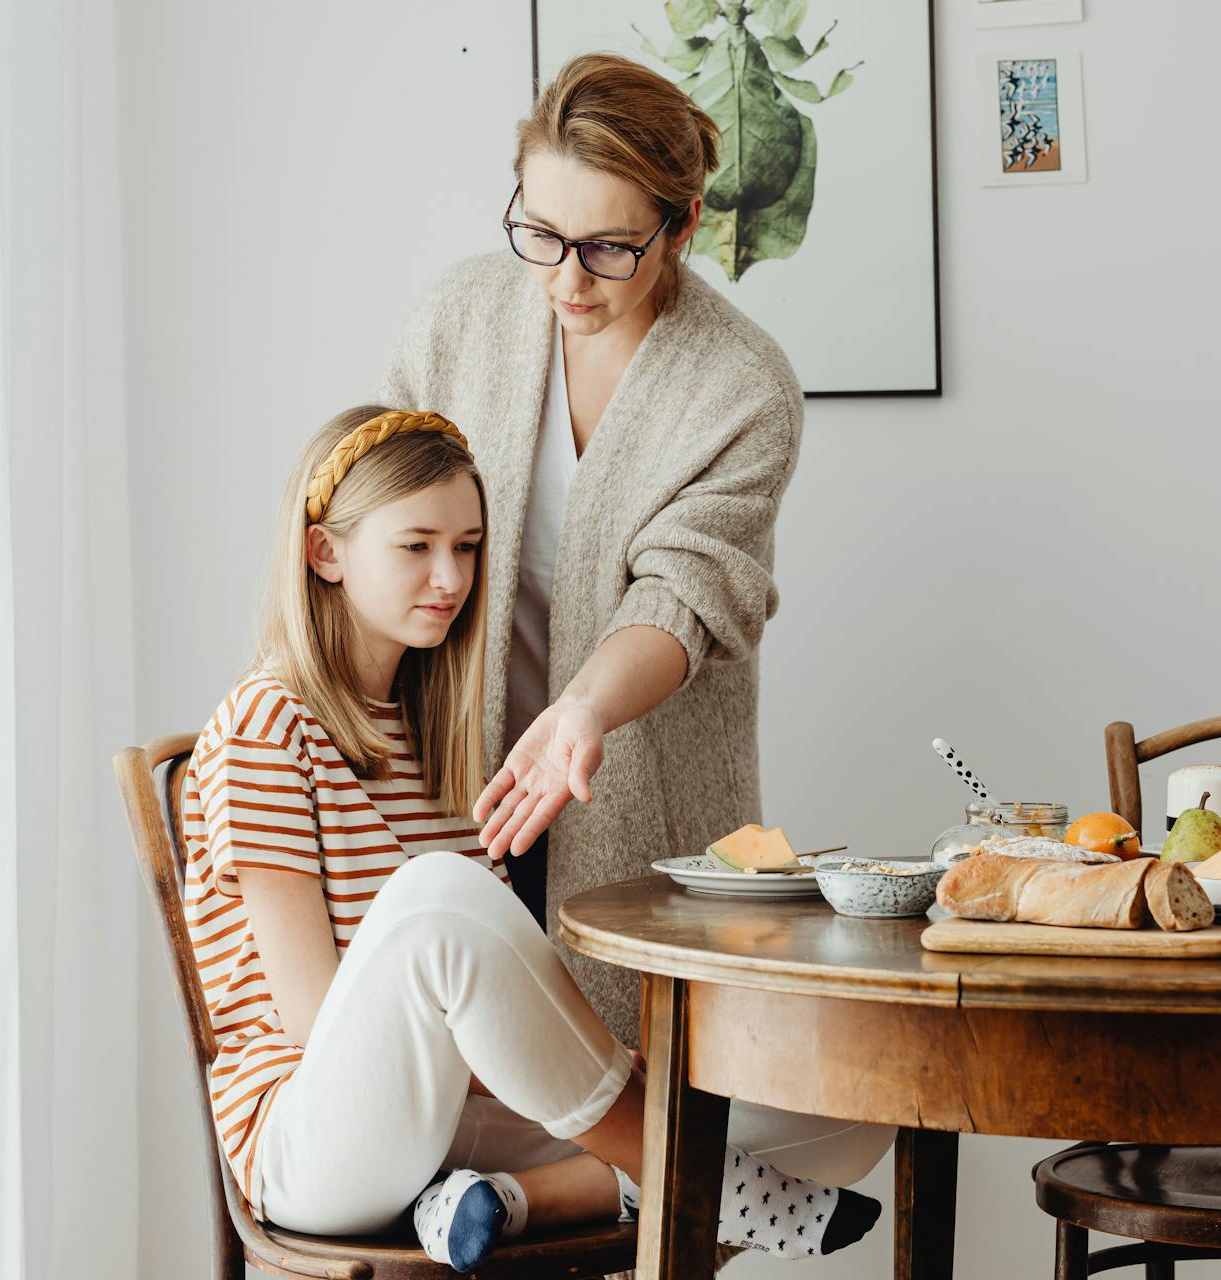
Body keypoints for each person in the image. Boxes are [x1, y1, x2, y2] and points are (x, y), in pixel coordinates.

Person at [180, 408, 886, 1270]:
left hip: (446, 1127)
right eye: (417, 546)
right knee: (438, 895)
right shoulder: (266, 723)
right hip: (316, 1138)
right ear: (326, 553)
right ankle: (679, 1167)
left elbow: (486, 990)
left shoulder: (434, 734)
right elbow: (315, 1020)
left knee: (853, 1102)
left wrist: (592, 1071)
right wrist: (587, 1077)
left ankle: (493, 1206)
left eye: (470, 547)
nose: (450, 576)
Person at [373, 53, 804, 1045]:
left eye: (609, 248)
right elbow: (376, 522)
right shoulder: (460, 318)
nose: (566, 278)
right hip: (451, 785)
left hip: (632, 795)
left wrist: (583, 709)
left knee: (639, 1073)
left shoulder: (741, 385)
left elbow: (685, 591)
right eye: (541, 232)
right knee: (460, 1071)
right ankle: (504, 1206)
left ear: (682, 226)